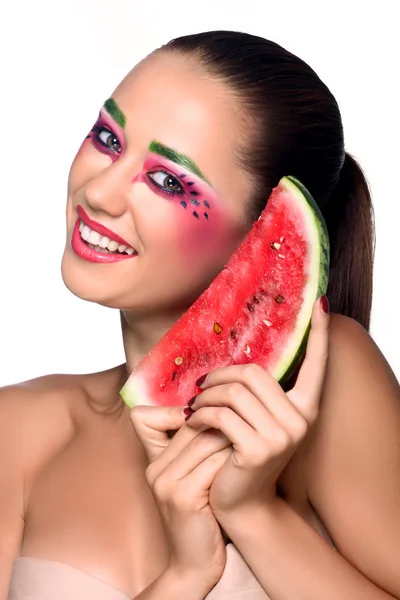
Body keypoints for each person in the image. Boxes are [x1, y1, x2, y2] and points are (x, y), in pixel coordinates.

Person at [1, 30, 399, 600]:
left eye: (168, 181)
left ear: (262, 234)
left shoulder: (333, 375)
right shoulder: (18, 429)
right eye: (108, 138)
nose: (101, 192)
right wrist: (187, 576)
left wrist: (254, 514)